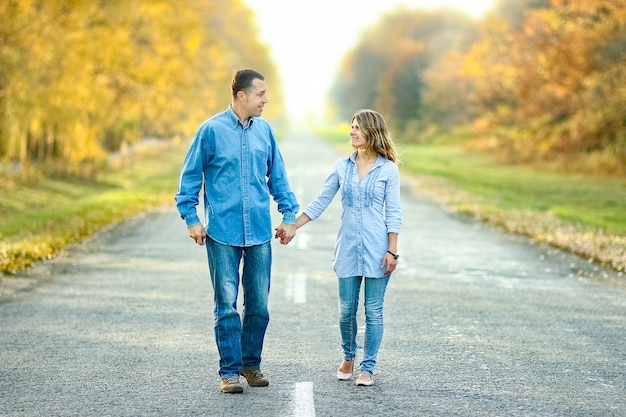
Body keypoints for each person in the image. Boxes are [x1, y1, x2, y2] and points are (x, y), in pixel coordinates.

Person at [174, 69, 299, 394]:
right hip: (222, 233)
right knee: (226, 305)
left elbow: (279, 178)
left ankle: (250, 364)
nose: (265, 100)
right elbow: (189, 180)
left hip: (259, 232)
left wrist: (288, 215)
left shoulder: (265, 132)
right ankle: (229, 371)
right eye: (260, 94)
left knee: (258, 306)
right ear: (241, 96)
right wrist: (191, 218)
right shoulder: (210, 131)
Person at [288, 109, 402, 386]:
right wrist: (292, 225)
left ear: (371, 132)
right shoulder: (342, 166)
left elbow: (394, 213)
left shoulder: (388, 169)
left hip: (378, 250)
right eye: (351, 127)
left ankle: (368, 367)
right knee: (346, 309)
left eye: (357, 128)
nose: (351, 132)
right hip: (348, 248)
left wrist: (392, 251)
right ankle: (348, 357)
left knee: (373, 311)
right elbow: (320, 201)